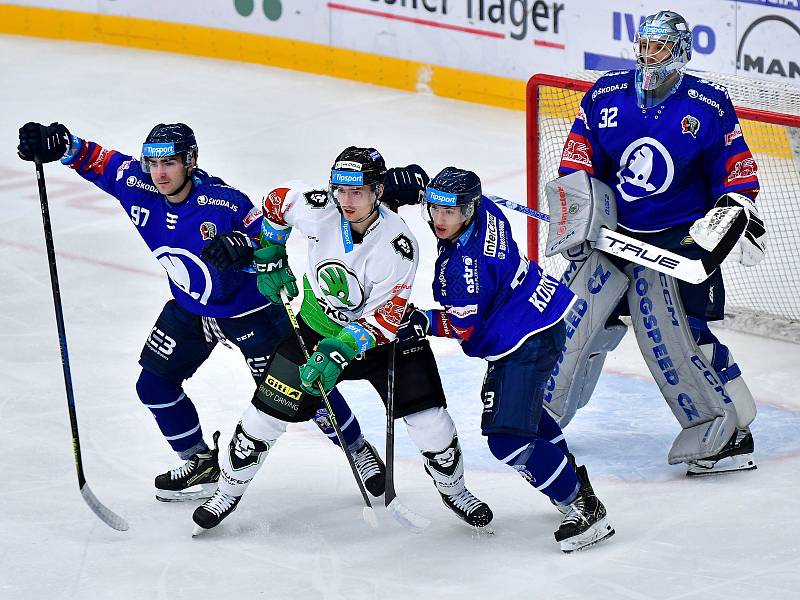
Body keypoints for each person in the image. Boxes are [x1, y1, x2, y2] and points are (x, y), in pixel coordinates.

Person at [16, 122, 383, 502]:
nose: (159, 173)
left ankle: (357, 449)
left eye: (170, 163)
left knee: (303, 391)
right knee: (153, 386)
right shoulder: (138, 186)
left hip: (252, 315)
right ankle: (200, 463)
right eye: (153, 163)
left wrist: (244, 252)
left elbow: (272, 253)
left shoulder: (224, 203)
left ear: (190, 161)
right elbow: (97, 160)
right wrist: (58, 144)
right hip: (190, 311)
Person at [191, 147, 493, 534]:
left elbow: (385, 319)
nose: (346, 201)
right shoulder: (319, 210)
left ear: (378, 191)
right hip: (315, 329)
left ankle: (455, 490)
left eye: (358, 192)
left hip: (384, 342)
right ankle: (228, 491)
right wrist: (270, 251)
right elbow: (278, 201)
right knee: (262, 417)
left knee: (430, 421)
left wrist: (339, 350)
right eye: (340, 190)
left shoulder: (398, 245)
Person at [547, 10, 765, 475]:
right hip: (614, 235)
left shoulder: (708, 104)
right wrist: (579, 214)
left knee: (685, 337)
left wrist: (733, 215)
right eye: (643, 46)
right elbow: (578, 161)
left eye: (659, 47)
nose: (648, 55)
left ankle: (735, 430)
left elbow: (738, 174)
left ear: (681, 51)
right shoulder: (606, 94)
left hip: (678, 242)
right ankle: (544, 418)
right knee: (573, 321)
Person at [396, 167, 614, 552]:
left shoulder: (460, 270)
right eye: (435, 209)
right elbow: (456, 202)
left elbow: (461, 326)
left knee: (507, 439)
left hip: (522, 342)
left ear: (469, 209)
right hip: (545, 316)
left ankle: (581, 503)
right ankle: (571, 481)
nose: (440, 220)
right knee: (525, 415)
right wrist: (435, 194)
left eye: (451, 212)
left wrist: (421, 320)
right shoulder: (488, 211)